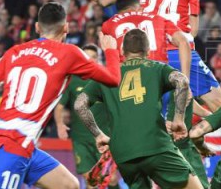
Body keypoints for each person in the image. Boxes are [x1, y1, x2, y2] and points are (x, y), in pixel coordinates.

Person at [0, 2, 121, 189]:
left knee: (69, 185)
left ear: (37, 27)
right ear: (66, 28)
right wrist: (111, 50)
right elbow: (114, 79)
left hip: (20, 145)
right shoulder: (69, 53)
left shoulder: (14, 52)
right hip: (11, 150)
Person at [87, 0, 221, 112]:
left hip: (151, 54)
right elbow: (193, 30)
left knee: (161, 111)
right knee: (218, 104)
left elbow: (106, 1)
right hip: (178, 50)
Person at [74, 29, 203, 189]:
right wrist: (178, 119)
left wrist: (98, 135)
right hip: (155, 146)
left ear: (122, 51)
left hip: (123, 154)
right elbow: (182, 81)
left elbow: (79, 104)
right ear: (148, 51)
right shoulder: (157, 68)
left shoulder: (106, 75)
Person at [53, 44, 119, 188]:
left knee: (111, 179)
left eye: (94, 57)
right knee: (91, 179)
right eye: (87, 57)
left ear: (99, 59)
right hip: (81, 140)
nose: (91, 60)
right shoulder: (72, 80)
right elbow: (59, 106)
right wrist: (60, 125)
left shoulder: (107, 79)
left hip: (106, 137)